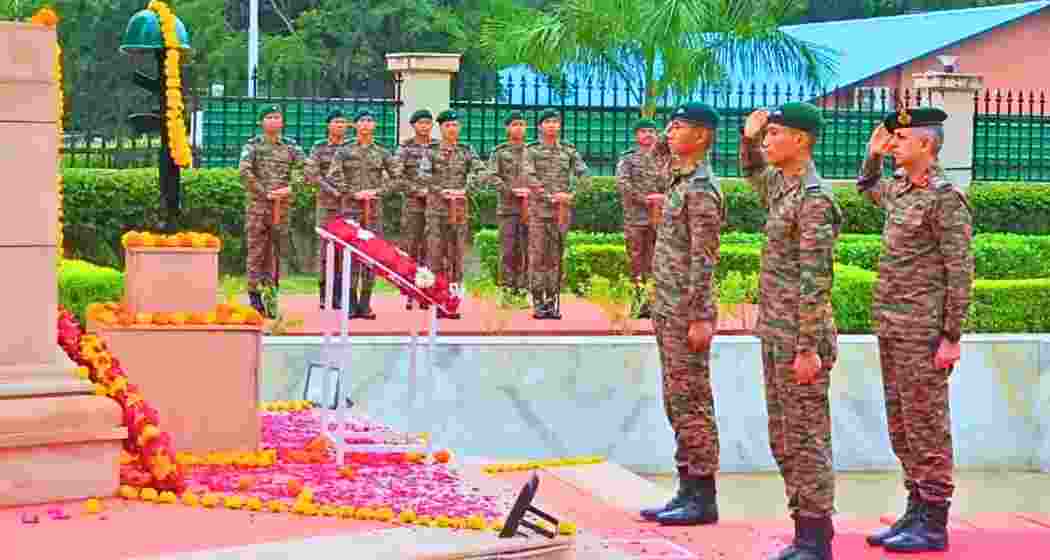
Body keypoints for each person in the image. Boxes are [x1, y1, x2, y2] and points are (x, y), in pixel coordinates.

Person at [856, 107, 972, 553]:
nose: (895, 144)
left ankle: (934, 520)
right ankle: (915, 509)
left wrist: (951, 336)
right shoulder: (903, 191)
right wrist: (873, 155)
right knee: (902, 425)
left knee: (927, 427)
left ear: (926, 145)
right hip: (893, 325)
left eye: (901, 139)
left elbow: (959, 271)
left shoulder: (944, 197)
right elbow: (867, 187)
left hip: (924, 332)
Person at [741, 103, 843, 560]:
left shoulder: (815, 200)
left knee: (806, 439)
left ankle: (816, 539)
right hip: (777, 331)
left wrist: (806, 347)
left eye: (775, 133)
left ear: (801, 140)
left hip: (801, 339)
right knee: (784, 437)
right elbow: (754, 173)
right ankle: (802, 529)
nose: (768, 140)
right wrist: (749, 138)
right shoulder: (785, 187)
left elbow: (815, 279)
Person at [639, 103, 724, 526]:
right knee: (676, 399)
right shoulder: (678, 180)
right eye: (669, 126)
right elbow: (654, 154)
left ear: (703, 136)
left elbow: (704, 258)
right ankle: (686, 486)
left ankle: (702, 495)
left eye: (680, 127)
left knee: (692, 401)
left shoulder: (702, 189)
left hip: (687, 312)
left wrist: (701, 316)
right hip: (669, 308)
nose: (669, 133)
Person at [325, 109, 404, 319]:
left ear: (374, 125)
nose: (366, 124)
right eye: (362, 121)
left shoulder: (382, 152)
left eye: (370, 120)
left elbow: (398, 178)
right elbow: (333, 174)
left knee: (372, 256)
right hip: (350, 210)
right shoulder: (344, 150)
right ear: (356, 125)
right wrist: (352, 192)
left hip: (374, 212)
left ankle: (365, 303)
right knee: (349, 255)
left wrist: (377, 192)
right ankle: (349, 302)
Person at [238, 104, 304, 317]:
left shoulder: (291, 146)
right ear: (261, 122)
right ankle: (255, 299)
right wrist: (265, 192)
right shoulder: (253, 146)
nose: (274, 121)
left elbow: (307, 169)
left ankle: (271, 298)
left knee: (276, 255)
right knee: (256, 253)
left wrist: (291, 187)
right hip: (258, 209)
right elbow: (244, 172)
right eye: (269, 117)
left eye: (277, 117)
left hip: (281, 209)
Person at [526, 109, 590, 319]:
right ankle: (537, 301)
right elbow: (529, 176)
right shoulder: (532, 150)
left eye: (556, 122)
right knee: (538, 257)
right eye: (548, 122)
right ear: (540, 126)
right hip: (539, 212)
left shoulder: (569, 151)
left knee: (556, 257)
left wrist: (571, 195)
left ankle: (552, 301)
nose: (552, 125)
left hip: (561, 212)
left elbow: (584, 175)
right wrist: (549, 196)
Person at [424, 109, 483, 318]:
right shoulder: (430, 151)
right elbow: (424, 175)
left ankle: (453, 302)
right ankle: (437, 301)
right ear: (441, 128)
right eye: (448, 125)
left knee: (457, 257)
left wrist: (464, 190)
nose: (452, 129)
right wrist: (442, 191)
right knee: (436, 256)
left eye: (455, 125)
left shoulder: (467, 151)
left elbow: (480, 171)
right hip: (437, 211)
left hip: (458, 210)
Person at [476, 110, 537, 295]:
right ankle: (507, 287)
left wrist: (533, 191)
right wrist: (510, 191)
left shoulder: (533, 151)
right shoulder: (500, 152)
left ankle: (525, 287)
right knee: (508, 249)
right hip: (508, 208)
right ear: (507, 128)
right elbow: (491, 176)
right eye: (514, 125)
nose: (518, 128)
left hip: (531, 208)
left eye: (521, 124)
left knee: (529, 249)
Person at [616, 118, 673, 318]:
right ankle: (639, 301)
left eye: (651, 131)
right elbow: (623, 184)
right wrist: (645, 199)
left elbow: (676, 183)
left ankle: (657, 303)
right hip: (636, 218)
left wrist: (663, 199)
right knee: (637, 260)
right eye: (643, 131)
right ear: (636, 135)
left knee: (659, 260)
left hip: (662, 218)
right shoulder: (628, 158)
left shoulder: (667, 158)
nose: (648, 134)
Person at [305, 109, 352, 309]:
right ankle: (325, 293)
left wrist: (350, 192)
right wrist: (332, 190)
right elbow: (312, 173)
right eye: (336, 122)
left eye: (343, 122)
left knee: (346, 249)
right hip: (327, 205)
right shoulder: (319, 147)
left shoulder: (353, 148)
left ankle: (342, 293)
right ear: (328, 125)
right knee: (326, 250)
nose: (340, 125)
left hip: (350, 206)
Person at [395, 109, 435, 309]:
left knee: (431, 249)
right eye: (421, 123)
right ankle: (409, 290)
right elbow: (397, 174)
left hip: (435, 205)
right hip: (413, 205)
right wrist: (415, 190)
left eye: (428, 122)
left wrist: (434, 191)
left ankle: (426, 291)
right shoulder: (406, 148)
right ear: (413, 125)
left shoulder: (438, 146)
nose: (425, 126)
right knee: (410, 248)